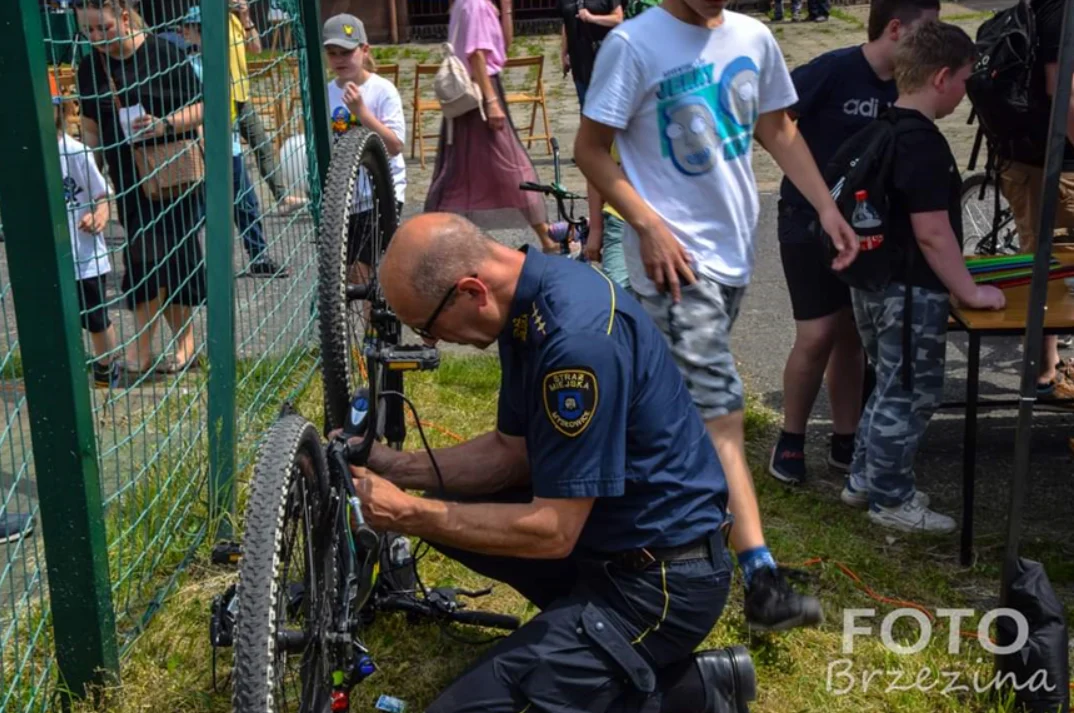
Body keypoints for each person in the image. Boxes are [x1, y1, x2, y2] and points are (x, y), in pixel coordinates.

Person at [347, 212, 756, 713]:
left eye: (427, 327)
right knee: (445, 504)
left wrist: (406, 513)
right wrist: (394, 468)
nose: (431, 343)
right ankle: (578, 641)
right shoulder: (528, 302)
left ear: (473, 292)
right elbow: (508, 454)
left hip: (659, 585)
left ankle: (694, 692)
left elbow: (552, 530)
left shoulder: (575, 341)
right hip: (610, 542)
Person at [574, 0, 857, 630]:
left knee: (668, 405)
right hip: (674, 264)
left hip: (732, 258)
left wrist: (827, 208)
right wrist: (645, 224)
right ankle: (761, 581)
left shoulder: (753, 38)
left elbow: (778, 129)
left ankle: (603, 521)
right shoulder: (634, 45)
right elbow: (591, 150)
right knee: (723, 415)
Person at [769, 0, 939, 486]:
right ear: (894, 28)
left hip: (872, 230)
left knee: (852, 336)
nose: (932, 41)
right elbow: (776, 126)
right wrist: (820, 199)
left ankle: (846, 440)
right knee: (818, 332)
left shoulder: (909, 85)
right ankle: (792, 437)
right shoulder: (833, 71)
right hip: (808, 220)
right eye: (927, 30)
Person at [845, 20, 1005, 533]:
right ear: (941, 78)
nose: (965, 91)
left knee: (887, 384)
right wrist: (969, 290)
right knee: (911, 392)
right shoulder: (924, 144)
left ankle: (866, 478)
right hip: (910, 290)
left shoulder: (882, 127)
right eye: (964, 79)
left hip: (872, 282)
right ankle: (892, 500)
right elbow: (933, 232)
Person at [74, 0, 206, 374]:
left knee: (161, 261)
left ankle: (142, 352)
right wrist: (90, 180)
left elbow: (202, 107)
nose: (97, 38)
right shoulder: (89, 67)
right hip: (129, 182)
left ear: (126, 18)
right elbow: (91, 128)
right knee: (149, 260)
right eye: (89, 32)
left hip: (173, 177)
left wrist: (163, 123)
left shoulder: (164, 53)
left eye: (104, 28)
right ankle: (182, 345)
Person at [423, 0, 559, 254]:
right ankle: (547, 235)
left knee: (460, 169)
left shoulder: (471, 4)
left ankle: (435, 235)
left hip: (473, 96)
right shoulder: (475, 5)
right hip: (481, 94)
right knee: (511, 165)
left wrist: (506, 7)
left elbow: (504, 45)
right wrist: (492, 100)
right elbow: (477, 56)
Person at [995, 0, 1074, 403]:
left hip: (1036, 161)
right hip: (1050, 165)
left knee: (1051, 264)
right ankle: (1045, 375)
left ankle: (1050, 366)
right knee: (1053, 267)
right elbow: (1065, 96)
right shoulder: (1063, 9)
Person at [181, 6, 289, 279]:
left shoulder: (221, 58)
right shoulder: (191, 67)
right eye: (203, 31)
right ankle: (185, 264)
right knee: (200, 211)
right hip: (206, 147)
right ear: (189, 33)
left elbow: (254, 48)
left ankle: (259, 257)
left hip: (231, 145)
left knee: (246, 203)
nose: (212, 37)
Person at [323, 14, 407, 288]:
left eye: (347, 52)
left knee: (362, 271)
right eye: (332, 53)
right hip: (343, 198)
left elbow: (395, 146)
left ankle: (374, 327)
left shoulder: (382, 90)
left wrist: (361, 112)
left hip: (380, 194)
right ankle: (374, 323)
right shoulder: (326, 93)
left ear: (364, 50)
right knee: (350, 275)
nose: (339, 60)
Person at [52, 71, 121, 389]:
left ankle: (107, 366)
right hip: (49, 256)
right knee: (58, 318)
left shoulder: (75, 152)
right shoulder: (23, 157)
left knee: (94, 316)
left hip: (84, 253)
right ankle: (63, 371)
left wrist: (100, 214)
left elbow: (102, 193)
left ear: (60, 109)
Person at [229, 0, 307, 218]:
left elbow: (256, 48)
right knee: (230, 157)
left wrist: (246, 19)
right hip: (222, 100)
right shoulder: (209, 23)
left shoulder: (236, 20)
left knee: (263, 145)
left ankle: (283, 197)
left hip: (241, 97)